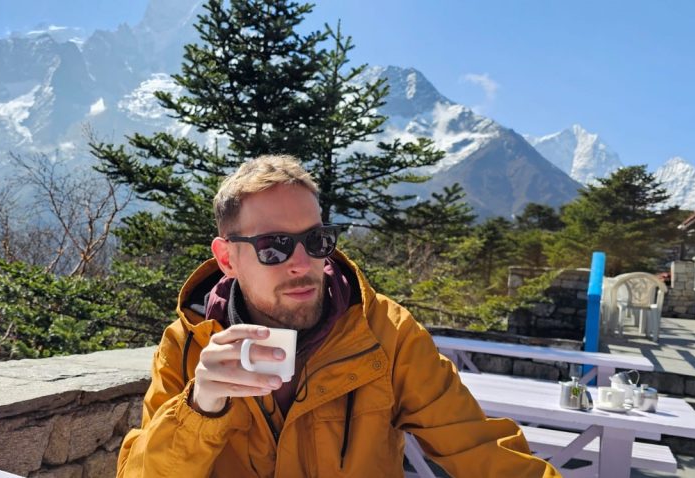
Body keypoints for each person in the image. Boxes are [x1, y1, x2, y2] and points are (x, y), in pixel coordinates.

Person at [117, 155, 559, 477]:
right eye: (274, 246)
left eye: (316, 240)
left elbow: (483, 451)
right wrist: (200, 408)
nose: (302, 263)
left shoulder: (385, 332)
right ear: (227, 258)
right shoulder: (188, 345)